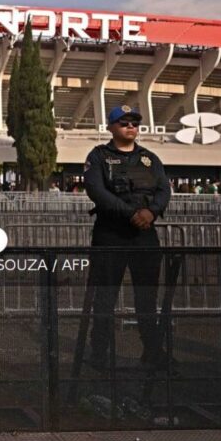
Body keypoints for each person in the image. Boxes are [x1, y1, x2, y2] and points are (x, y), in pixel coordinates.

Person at [84, 105, 171, 372]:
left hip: (144, 235)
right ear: (111, 127)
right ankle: (99, 353)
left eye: (134, 123)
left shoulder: (149, 159)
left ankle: (153, 352)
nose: (130, 126)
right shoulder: (99, 156)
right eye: (123, 123)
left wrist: (152, 212)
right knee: (105, 298)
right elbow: (96, 191)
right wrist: (131, 213)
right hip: (111, 234)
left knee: (147, 299)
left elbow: (163, 190)